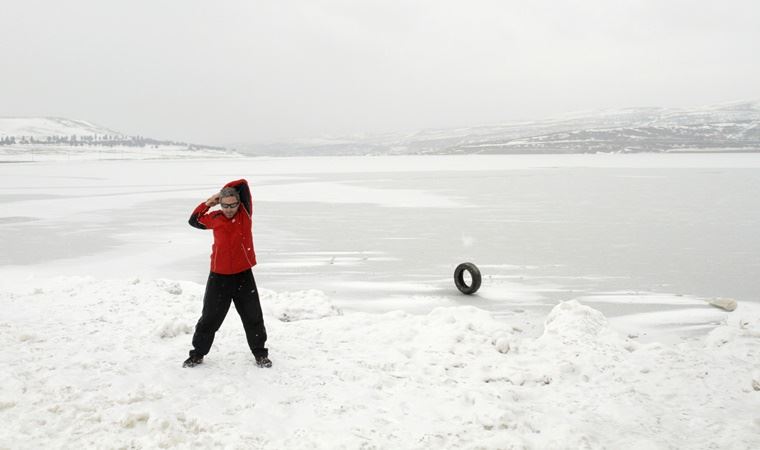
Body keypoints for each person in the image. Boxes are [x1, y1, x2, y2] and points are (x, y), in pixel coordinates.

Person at [183, 179, 271, 368]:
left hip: (243, 275)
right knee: (209, 318)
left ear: (239, 204)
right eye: (225, 205)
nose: (229, 209)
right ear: (220, 204)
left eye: (233, 205)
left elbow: (242, 184)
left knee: (253, 315)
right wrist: (210, 202)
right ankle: (197, 353)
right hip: (219, 277)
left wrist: (224, 191)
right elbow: (193, 220)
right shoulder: (214, 218)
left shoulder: (245, 214)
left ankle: (260, 353)